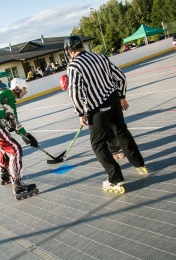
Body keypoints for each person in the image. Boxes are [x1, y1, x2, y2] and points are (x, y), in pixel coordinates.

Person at [63, 34, 147, 193]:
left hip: (97, 107)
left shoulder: (74, 67)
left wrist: (81, 112)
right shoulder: (100, 57)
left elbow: (74, 93)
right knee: (121, 131)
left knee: (97, 144)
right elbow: (121, 77)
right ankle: (139, 163)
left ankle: (115, 178)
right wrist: (122, 96)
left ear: (68, 51)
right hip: (114, 99)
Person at [0, 78, 39, 200]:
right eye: (24, 90)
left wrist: (26, 135)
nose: (25, 92)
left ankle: (5, 173)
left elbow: (15, 121)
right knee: (15, 148)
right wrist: (2, 118)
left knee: (6, 147)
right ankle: (17, 182)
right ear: (17, 88)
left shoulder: (11, 101)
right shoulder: (7, 94)